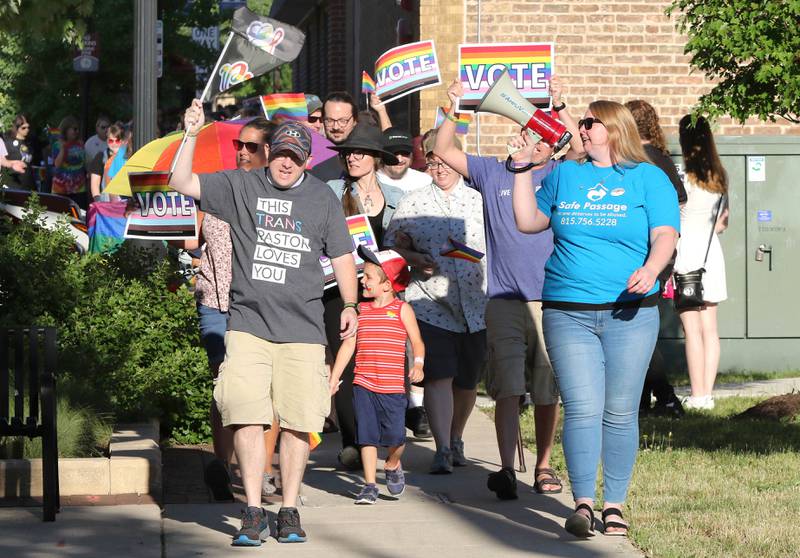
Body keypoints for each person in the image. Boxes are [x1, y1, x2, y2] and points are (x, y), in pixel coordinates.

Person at [169, 100, 358, 546]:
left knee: (298, 422)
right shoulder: (241, 185)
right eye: (280, 155)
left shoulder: (322, 199)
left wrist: (350, 303)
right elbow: (180, 181)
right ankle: (252, 510)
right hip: (248, 325)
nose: (286, 164)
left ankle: (288, 509)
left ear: (306, 161)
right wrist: (191, 133)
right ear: (269, 153)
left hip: (304, 329)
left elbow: (342, 256)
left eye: (295, 157)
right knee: (246, 416)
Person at [512, 101, 679, 537]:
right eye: (582, 123)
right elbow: (528, 221)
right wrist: (521, 171)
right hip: (569, 310)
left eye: (590, 123)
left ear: (615, 129)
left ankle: (614, 504)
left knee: (621, 412)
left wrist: (653, 268)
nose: (581, 129)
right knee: (583, 408)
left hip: (632, 312)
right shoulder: (566, 173)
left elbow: (665, 233)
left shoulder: (648, 177)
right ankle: (583, 503)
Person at [434, 77, 583, 499]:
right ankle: (504, 469)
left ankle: (543, 465)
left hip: (551, 299)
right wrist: (455, 109)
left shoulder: (560, 174)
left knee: (546, 389)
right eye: (525, 129)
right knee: (508, 387)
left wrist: (560, 108)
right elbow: (444, 151)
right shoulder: (492, 170)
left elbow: (579, 150)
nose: (528, 135)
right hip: (502, 298)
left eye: (538, 133)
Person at [186, 118, 279, 502]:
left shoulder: (279, 196)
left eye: (251, 146)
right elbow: (192, 237)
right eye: (240, 145)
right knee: (224, 387)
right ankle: (222, 467)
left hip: (261, 305)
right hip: (216, 303)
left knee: (267, 390)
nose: (242, 151)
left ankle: (264, 468)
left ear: (268, 152)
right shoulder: (219, 186)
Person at [385, 130, 487, 475]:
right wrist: (414, 257)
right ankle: (442, 448)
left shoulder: (478, 201)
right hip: (429, 303)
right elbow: (391, 245)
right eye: (433, 161)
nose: (439, 168)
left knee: (467, 381)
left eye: (445, 162)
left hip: (475, 304)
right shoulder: (412, 202)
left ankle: (456, 437)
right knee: (438, 376)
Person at [326, 123, 405, 469]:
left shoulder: (397, 199)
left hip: (382, 294)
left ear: (376, 157)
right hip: (340, 291)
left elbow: (404, 245)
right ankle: (354, 442)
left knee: (381, 366)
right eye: (347, 152)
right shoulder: (331, 191)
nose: (352, 158)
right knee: (348, 363)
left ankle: (379, 438)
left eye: (360, 152)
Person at [329, 246, 424, 504]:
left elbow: (417, 342)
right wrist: (333, 377)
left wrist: (418, 364)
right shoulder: (361, 310)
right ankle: (370, 484)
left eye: (368, 276)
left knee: (396, 438)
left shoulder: (402, 310)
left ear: (387, 285)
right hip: (364, 383)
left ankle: (392, 464)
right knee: (367, 436)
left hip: (393, 386)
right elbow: (348, 345)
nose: (362, 280)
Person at [625, 99, 688, 418]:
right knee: (640, 329)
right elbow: (680, 202)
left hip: (647, 257)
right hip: (660, 256)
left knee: (639, 332)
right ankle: (649, 400)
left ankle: (664, 396)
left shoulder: (640, 160)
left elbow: (672, 205)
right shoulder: (662, 158)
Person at [675, 115, 729, 411]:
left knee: (691, 330)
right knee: (710, 328)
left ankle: (696, 396)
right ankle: (707, 394)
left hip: (687, 256)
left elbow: (674, 216)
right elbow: (722, 224)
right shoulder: (719, 176)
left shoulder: (682, 176)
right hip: (712, 255)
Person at [309, 91, 359, 181]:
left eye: (343, 121)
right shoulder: (309, 156)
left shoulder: (367, 155)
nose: (336, 127)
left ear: (355, 120)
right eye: (329, 120)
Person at [378, 127, 433, 193]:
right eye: (394, 153)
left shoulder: (425, 182)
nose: (399, 159)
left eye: (405, 153)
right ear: (381, 154)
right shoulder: (373, 182)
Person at [88, 122, 129, 202]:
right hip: (106, 202)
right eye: (111, 141)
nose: (114, 144)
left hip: (126, 201)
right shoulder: (101, 157)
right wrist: (98, 201)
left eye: (117, 141)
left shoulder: (128, 156)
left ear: (122, 141)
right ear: (107, 141)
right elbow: (95, 184)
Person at [52, 115, 87, 209]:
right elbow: (57, 164)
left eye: (78, 129)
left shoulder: (80, 143)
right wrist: (64, 148)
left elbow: (84, 163)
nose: (77, 132)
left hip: (79, 188)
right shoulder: (57, 145)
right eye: (74, 129)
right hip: (61, 189)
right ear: (66, 129)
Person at [2, 115, 34, 189]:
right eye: (23, 128)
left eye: (28, 127)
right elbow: (2, 163)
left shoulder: (30, 142)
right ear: (16, 127)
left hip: (29, 186)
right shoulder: (7, 143)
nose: (27, 130)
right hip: (12, 186)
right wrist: (12, 166)